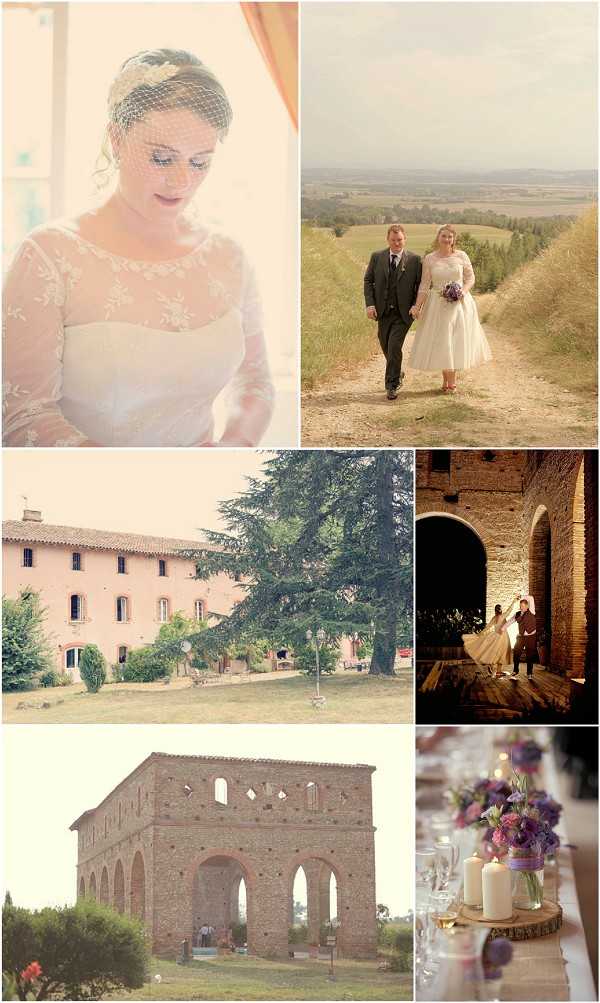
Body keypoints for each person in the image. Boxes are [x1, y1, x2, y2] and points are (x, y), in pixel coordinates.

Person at [3, 49, 274, 447]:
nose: (181, 180)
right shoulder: (49, 256)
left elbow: (255, 382)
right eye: (161, 158)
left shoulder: (229, 257)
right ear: (117, 138)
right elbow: (24, 415)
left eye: (199, 162)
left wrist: (233, 444)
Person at [409, 224, 492, 392]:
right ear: (438, 238)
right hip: (437, 304)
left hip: (460, 304)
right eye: (443, 236)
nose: (447, 239)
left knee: (455, 339)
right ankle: (446, 379)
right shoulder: (430, 259)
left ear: (454, 239)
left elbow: (470, 278)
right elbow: (425, 285)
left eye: (450, 237)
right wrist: (417, 306)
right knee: (442, 341)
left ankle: (451, 382)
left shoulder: (461, 256)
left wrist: (463, 291)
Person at [363, 224, 422, 400]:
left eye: (400, 240)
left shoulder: (415, 260)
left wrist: (416, 306)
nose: (397, 243)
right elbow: (368, 280)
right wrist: (370, 305)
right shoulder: (377, 257)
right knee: (385, 344)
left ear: (405, 239)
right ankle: (397, 371)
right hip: (382, 311)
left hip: (404, 313)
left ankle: (392, 385)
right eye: (393, 240)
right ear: (387, 240)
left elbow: (420, 286)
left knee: (394, 345)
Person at [462, 596, 519, 679]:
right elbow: (509, 610)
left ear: (495, 610)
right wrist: (514, 601)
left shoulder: (494, 618)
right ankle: (498, 671)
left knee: (495, 652)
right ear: (500, 610)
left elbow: (488, 627)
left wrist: (480, 633)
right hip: (503, 637)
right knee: (502, 654)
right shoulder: (502, 616)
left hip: (495, 636)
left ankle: (495, 669)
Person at [504, 596, 538, 680]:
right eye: (520, 606)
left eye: (523, 606)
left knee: (530, 655)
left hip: (531, 637)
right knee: (516, 652)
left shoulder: (532, 611)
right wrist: (503, 628)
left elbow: (531, 598)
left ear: (527, 606)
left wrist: (520, 597)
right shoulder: (518, 613)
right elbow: (510, 621)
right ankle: (515, 670)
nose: (521, 608)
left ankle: (529, 673)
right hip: (521, 637)